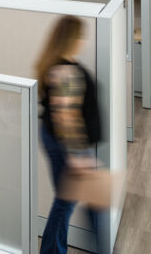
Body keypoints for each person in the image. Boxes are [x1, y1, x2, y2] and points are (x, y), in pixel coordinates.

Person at [34, 15, 104, 254]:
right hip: (68, 145)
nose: (84, 41)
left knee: (67, 200)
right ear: (71, 39)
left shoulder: (54, 65)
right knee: (68, 202)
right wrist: (78, 156)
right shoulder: (66, 72)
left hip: (55, 140)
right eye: (81, 36)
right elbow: (66, 116)